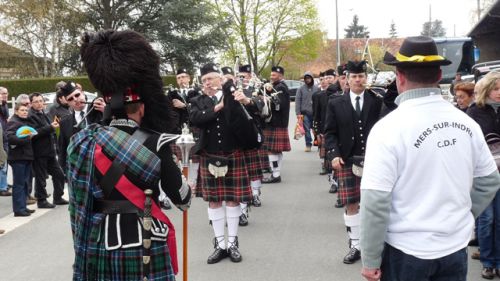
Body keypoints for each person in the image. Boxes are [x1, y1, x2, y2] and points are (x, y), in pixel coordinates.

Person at [359, 36, 500, 281]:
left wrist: (371, 259)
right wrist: (464, 215)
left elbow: (375, 201)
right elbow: (489, 180)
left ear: (399, 77)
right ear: (438, 76)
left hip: (406, 250)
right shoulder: (466, 122)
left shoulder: (387, 129)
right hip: (454, 247)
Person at [69, 29, 190, 281]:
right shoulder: (157, 142)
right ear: (143, 106)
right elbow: (182, 199)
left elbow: (78, 203)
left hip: (98, 241)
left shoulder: (82, 141)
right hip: (145, 242)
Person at [189, 63, 254, 264]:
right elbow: (196, 119)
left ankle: (233, 243)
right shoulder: (197, 101)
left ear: (220, 79)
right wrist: (218, 107)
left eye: (211, 79)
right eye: (204, 80)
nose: (207, 83)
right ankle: (220, 245)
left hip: (233, 153)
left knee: (234, 200)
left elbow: (252, 116)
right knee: (214, 201)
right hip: (209, 156)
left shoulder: (234, 97)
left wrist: (245, 101)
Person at [324, 60, 385, 264]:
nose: (358, 80)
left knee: (374, 204)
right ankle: (355, 245)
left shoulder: (377, 100)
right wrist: (333, 154)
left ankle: (374, 246)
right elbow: (330, 132)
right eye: (354, 76)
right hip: (347, 160)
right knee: (351, 203)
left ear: (366, 78)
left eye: (361, 76)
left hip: (374, 160)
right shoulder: (335, 102)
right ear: (347, 79)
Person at [466, 71, 500, 279]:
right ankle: (488, 261)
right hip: (483, 175)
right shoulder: (474, 111)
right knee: (486, 219)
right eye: (496, 88)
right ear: (487, 90)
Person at [27, 92, 66, 208]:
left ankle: (58, 197)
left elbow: (50, 130)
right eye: (36, 102)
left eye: (41, 101)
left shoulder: (44, 113)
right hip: (39, 152)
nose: (39, 104)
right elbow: (33, 133)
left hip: (50, 151)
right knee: (41, 178)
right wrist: (50, 127)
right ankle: (41, 200)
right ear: (31, 104)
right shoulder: (31, 116)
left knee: (59, 174)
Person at [57, 81, 105, 174]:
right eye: (70, 99)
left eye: (77, 95)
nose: (75, 99)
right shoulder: (64, 122)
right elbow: (63, 150)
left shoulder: (99, 110)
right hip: (80, 171)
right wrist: (66, 173)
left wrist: (106, 111)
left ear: (82, 93)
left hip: (104, 167)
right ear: (67, 103)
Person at [261, 66, 291, 183]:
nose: (271, 77)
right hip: (278, 122)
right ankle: (276, 172)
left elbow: (278, 105)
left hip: (276, 122)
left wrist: (266, 98)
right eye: (271, 75)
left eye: (274, 75)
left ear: (281, 76)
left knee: (271, 150)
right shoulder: (276, 86)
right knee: (276, 150)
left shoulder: (280, 87)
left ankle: (275, 174)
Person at [6, 103, 36, 216]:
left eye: (26, 110)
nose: (25, 112)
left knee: (24, 183)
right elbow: (10, 138)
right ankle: (18, 209)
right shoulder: (14, 121)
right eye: (22, 110)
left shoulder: (24, 121)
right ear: (16, 111)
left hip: (25, 157)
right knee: (19, 184)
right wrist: (27, 138)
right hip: (18, 158)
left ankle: (23, 206)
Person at [295, 71, 319, 152]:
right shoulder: (300, 89)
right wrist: (298, 113)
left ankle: (318, 142)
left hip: (315, 113)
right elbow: (297, 101)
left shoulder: (317, 88)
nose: (307, 80)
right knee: (306, 130)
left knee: (316, 129)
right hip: (304, 113)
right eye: (306, 78)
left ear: (312, 79)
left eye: (309, 78)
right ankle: (308, 144)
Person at [0, 87, 10, 196]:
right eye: (3, 93)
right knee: (2, 161)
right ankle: (2, 187)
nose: (5, 95)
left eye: (6, 93)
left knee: (5, 160)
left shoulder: (4, 104)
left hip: (5, 134)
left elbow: (6, 115)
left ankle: (3, 184)